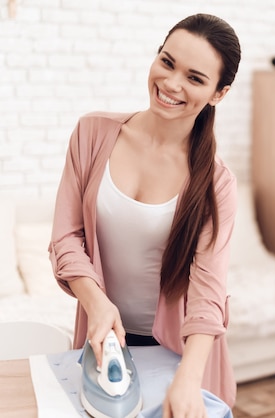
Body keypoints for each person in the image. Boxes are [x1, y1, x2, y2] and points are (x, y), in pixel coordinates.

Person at [48, 13, 241, 414]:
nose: (171, 84)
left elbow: (208, 295)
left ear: (218, 94)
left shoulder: (216, 184)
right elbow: (66, 239)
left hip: (183, 357)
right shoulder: (92, 134)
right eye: (167, 62)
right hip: (105, 341)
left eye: (195, 78)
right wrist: (98, 305)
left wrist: (188, 381)